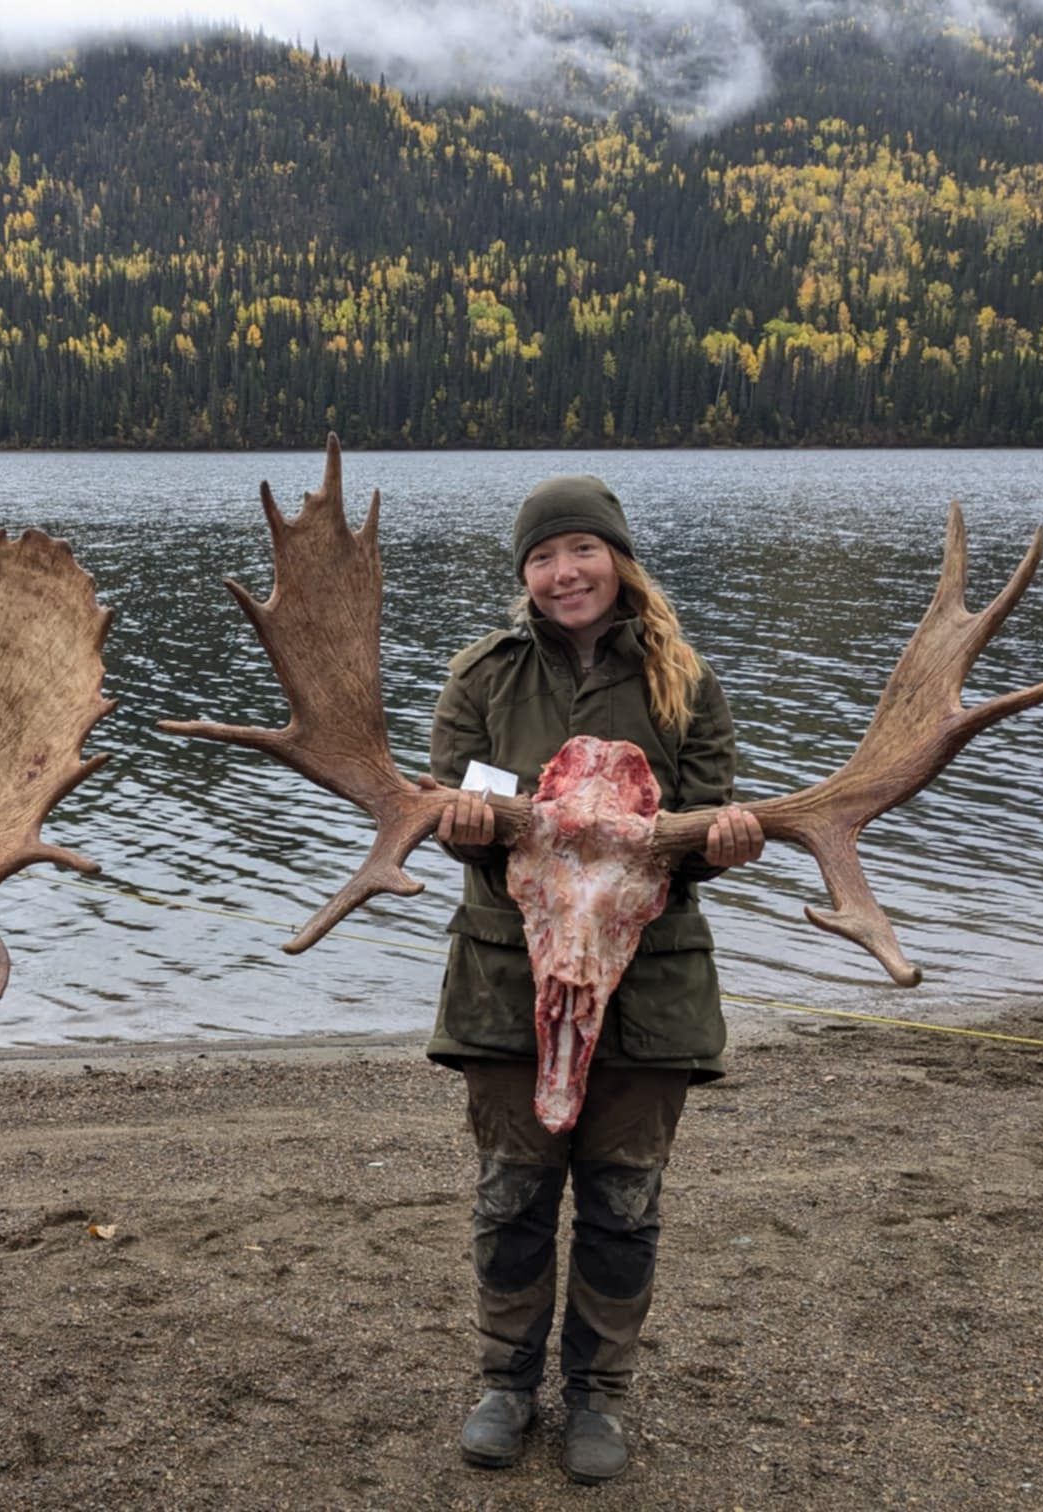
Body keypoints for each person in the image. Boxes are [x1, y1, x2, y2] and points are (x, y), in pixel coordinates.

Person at [426, 475, 763, 1485]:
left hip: (649, 989)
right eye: (542, 557)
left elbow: (701, 825)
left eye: (581, 550)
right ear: (524, 574)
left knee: (623, 1201)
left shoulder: (685, 681)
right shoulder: (480, 680)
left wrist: (726, 839)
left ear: (616, 558)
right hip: (505, 985)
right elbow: (453, 812)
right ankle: (505, 1385)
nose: (563, 572)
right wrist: (463, 828)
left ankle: (598, 1399)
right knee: (511, 1193)